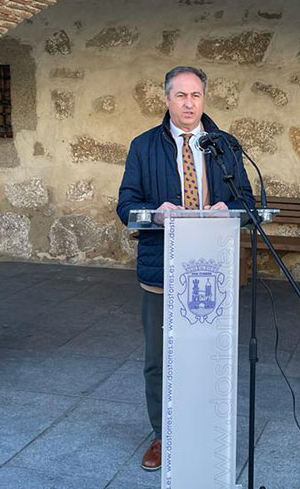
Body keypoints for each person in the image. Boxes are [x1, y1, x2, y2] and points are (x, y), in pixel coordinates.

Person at [116, 65, 254, 471]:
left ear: (204, 99)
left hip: (213, 270)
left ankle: (206, 428)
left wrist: (229, 208)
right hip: (162, 269)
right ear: (166, 99)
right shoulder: (143, 146)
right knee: (161, 358)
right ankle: (163, 435)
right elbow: (126, 206)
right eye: (181, 95)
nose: (189, 103)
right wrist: (154, 214)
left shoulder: (225, 145)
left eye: (196, 95)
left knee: (210, 355)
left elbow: (247, 199)